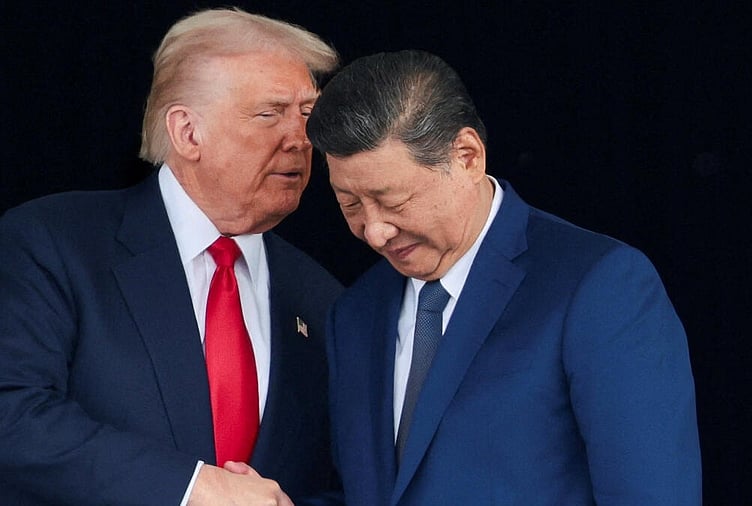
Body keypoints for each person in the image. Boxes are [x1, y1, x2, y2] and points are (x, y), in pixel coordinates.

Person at [306, 49, 702, 505]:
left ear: (468, 157)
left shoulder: (599, 286)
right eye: (350, 204)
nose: (374, 231)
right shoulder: (355, 312)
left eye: (393, 201)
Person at [0, 8, 343, 505]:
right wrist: (189, 488)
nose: (301, 138)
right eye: (271, 113)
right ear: (187, 132)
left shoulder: (324, 300)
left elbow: (346, 481)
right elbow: (12, 414)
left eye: (308, 115)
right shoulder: (52, 244)